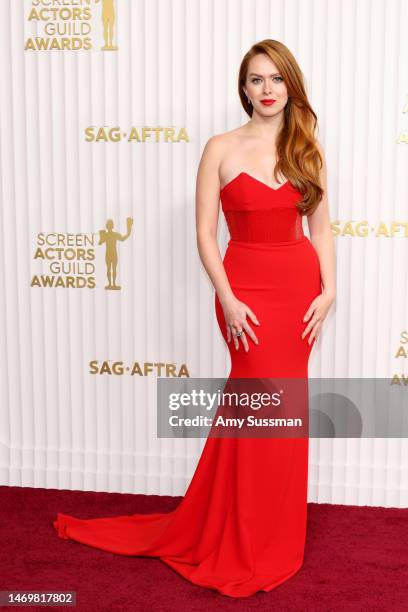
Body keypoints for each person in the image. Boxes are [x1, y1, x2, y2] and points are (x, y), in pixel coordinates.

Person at [53, 39, 336, 598]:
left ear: (291, 86)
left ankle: (274, 536)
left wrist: (329, 291)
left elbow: (322, 228)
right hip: (245, 291)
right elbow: (206, 234)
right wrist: (227, 298)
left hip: (298, 289)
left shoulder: (309, 148)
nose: (268, 90)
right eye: (257, 79)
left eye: (277, 79)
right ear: (244, 88)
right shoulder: (220, 148)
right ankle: (240, 535)